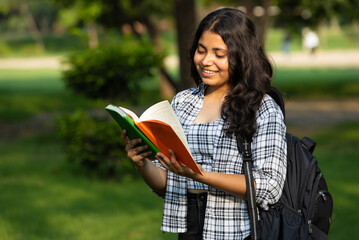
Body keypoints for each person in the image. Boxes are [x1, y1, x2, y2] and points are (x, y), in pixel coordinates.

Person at [121, 8, 287, 240]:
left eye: (219, 54)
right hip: (188, 227)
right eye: (201, 50)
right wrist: (142, 164)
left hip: (238, 230)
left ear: (242, 56)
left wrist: (201, 175)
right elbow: (168, 184)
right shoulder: (183, 101)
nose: (206, 61)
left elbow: (269, 186)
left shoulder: (262, 108)